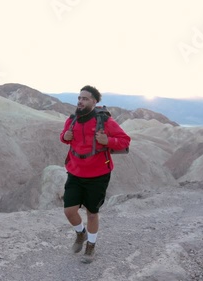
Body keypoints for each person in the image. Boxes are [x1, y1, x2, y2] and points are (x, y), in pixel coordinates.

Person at [60, 85, 131, 263]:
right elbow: (63, 137)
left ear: (94, 101)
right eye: (79, 98)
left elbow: (125, 141)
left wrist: (108, 140)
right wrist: (65, 137)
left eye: (85, 98)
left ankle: (90, 246)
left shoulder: (104, 121)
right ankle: (80, 233)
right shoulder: (72, 119)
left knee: (92, 213)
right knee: (69, 211)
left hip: (98, 174)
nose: (80, 101)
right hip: (75, 172)